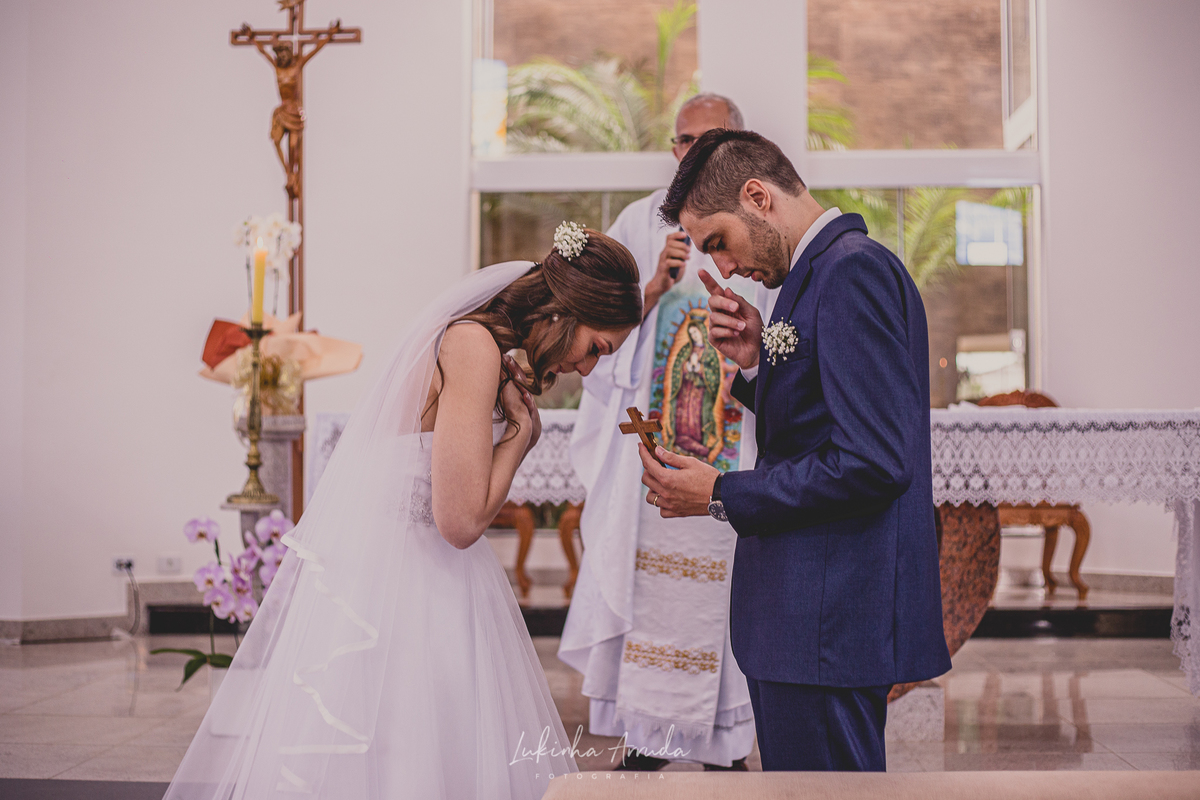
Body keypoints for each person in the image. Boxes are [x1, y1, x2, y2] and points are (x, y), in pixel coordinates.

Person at [164, 225, 643, 799]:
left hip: (415, 565)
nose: (588, 368)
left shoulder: (479, 342)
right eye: (597, 348)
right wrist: (521, 436)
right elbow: (460, 522)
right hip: (405, 580)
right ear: (568, 311)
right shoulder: (473, 346)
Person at [641, 129, 951, 772]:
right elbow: (822, 425)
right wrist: (757, 363)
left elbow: (874, 461)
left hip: (825, 621)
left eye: (718, 241)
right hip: (810, 619)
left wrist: (721, 493)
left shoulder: (850, 271)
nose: (725, 268)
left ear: (758, 196)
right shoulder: (820, 275)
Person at [559, 95, 767, 771]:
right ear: (672, 147)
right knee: (647, 591)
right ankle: (649, 736)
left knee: (724, 594)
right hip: (649, 458)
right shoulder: (638, 222)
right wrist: (653, 287)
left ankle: (723, 745)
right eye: (684, 139)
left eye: (712, 138)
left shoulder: (759, 225)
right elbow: (598, 346)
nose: (694, 151)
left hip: (729, 456)